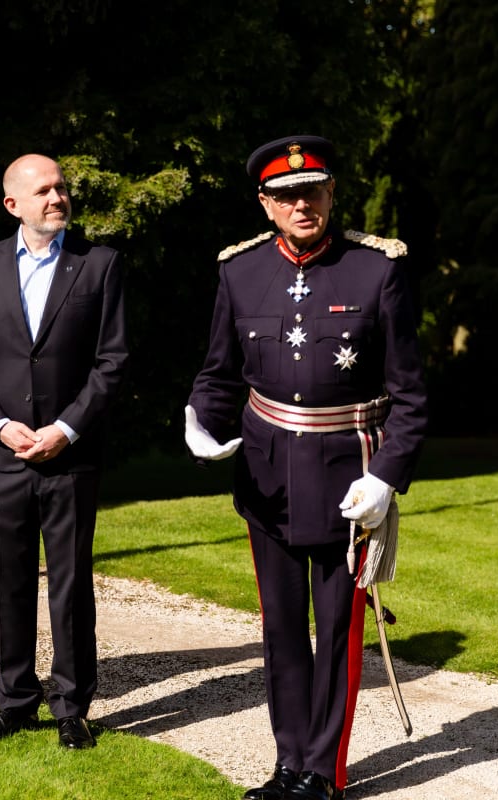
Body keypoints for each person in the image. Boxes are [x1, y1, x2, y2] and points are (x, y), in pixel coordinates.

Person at [185, 136, 427, 800]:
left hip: (351, 475)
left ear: (331, 194)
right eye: (287, 195)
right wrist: (198, 420)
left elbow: (411, 395)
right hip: (266, 478)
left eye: (312, 190)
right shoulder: (239, 273)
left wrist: (386, 478)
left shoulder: (377, 270)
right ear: (266, 205)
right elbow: (219, 374)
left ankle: (325, 772)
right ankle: (288, 764)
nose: (302, 204)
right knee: (282, 628)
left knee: (340, 631)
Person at [0, 154, 128, 750]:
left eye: (61, 187)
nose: (56, 197)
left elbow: (113, 361)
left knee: (71, 583)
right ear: (13, 205)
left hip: (70, 455)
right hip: (0, 455)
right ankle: (15, 701)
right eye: (43, 190)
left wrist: (66, 429)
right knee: (10, 581)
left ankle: (71, 706)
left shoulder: (98, 265)